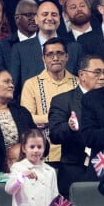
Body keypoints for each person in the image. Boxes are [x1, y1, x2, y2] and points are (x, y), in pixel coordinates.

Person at [49, 55, 104, 197]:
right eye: (97, 72)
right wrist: (69, 127)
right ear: (82, 75)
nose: (102, 77)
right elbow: (55, 134)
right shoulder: (63, 100)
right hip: (75, 170)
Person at [20, 37, 78, 167]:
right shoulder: (32, 84)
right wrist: (59, 120)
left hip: (73, 155)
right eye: (50, 54)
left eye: (60, 53)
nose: (55, 58)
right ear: (43, 59)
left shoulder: (78, 83)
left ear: (67, 56)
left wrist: (45, 121)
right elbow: (26, 118)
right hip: (42, 154)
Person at [5, 129, 58, 206]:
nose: (36, 150)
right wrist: (21, 177)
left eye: (39, 147)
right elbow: (9, 189)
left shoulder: (50, 171)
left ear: (44, 148)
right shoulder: (18, 167)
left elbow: (54, 197)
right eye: (32, 147)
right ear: (24, 148)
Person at [0, 0, 38, 73]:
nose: (34, 19)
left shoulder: (47, 43)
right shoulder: (2, 46)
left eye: (36, 15)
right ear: (17, 18)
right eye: (29, 15)